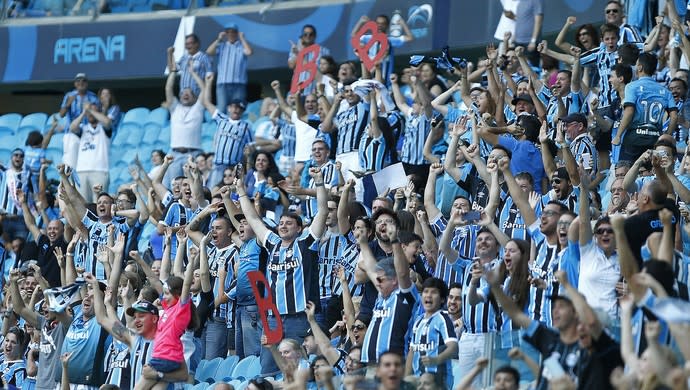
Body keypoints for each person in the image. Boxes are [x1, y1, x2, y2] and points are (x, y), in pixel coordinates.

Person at [235, 166, 328, 376]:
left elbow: (322, 211)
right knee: (268, 369)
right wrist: (241, 190)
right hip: (272, 318)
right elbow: (253, 219)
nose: (283, 226)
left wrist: (320, 182)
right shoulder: (272, 243)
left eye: (289, 223)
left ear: (299, 228)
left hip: (300, 318)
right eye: (281, 223)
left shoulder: (306, 243)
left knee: (301, 369)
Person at [132, 273, 193, 390]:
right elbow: (155, 281)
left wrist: (192, 262)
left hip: (165, 359)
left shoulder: (179, 311)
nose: (162, 297)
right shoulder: (168, 310)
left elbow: (186, 285)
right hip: (165, 361)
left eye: (166, 294)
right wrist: (139, 260)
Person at [615, 52, 678, 162]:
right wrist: (667, 134)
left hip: (634, 139)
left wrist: (618, 135)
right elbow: (674, 117)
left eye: (636, 64)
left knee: (625, 174)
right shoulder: (666, 91)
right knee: (651, 175)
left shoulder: (631, 87)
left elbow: (629, 111)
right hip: (655, 140)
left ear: (640, 67)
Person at [201, 73, 253, 186]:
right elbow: (206, 102)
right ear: (229, 108)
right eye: (234, 107)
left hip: (234, 168)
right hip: (218, 165)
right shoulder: (221, 119)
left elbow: (249, 150)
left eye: (239, 108)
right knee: (213, 193)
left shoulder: (246, 127)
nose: (236, 110)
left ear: (243, 111)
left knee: (232, 197)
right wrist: (209, 83)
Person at [407, 277, 457, 389]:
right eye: (425, 291)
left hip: (438, 381)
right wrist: (406, 378)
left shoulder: (443, 319)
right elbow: (412, 351)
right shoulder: (418, 321)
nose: (428, 295)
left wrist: (436, 360)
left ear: (443, 299)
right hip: (419, 380)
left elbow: (453, 347)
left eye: (433, 292)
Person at [162, 61, 205, 187]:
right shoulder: (175, 107)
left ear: (195, 97)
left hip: (193, 154)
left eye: (189, 93)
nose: (185, 94)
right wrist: (173, 73)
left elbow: (204, 89)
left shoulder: (198, 108)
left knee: (194, 187)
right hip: (174, 154)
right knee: (174, 187)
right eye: (183, 93)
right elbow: (168, 88)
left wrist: (193, 73)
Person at [69, 102, 113, 203]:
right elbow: (72, 127)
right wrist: (84, 112)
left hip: (100, 171)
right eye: (89, 113)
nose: (90, 114)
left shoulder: (103, 128)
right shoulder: (83, 128)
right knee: (83, 204)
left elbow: (107, 122)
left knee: (99, 203)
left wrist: (91, 110)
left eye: (93, 112)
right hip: (82, 171)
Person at [206, 23, 253, 111]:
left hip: (239, 84)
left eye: (233, 32)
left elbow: (249, 52)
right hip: (223, 84)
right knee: (222, 109)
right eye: (228, 32)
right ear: (226, 34)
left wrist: (242, 38)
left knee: (238, 109)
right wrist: (219, 39)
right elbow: (209, 52)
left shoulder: (241, 46)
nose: (231, 34)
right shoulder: (221, 46)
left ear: (237, 33)